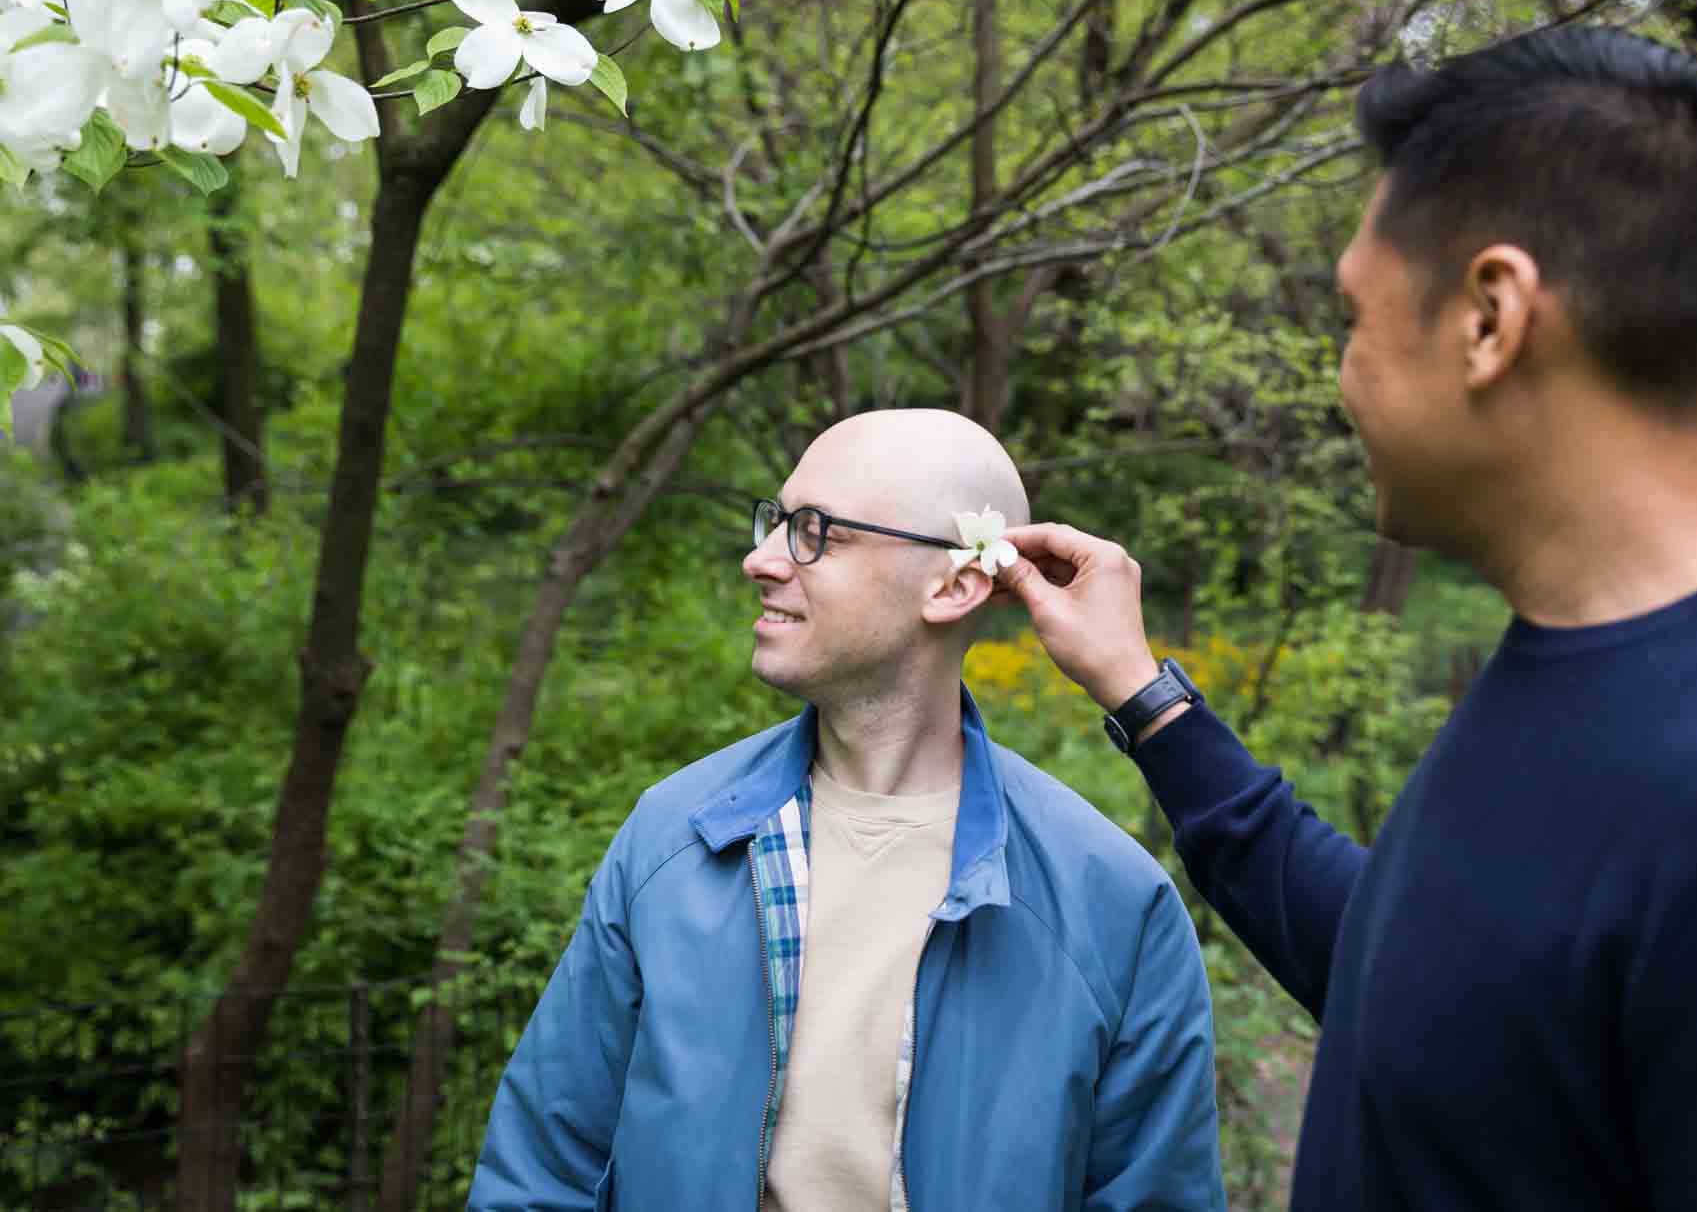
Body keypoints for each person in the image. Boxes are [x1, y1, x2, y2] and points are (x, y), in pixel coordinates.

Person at [999, 26, 1697, 1211]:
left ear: (1488, 316)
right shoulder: (1585, 663)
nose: (1344, 374)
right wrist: (1144, 696)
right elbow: (1431, 987)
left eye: (1354, 320)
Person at [468, 408, 1223, 1212]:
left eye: (815, 530)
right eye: (777, 519)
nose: (760, 558)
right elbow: (539, 1173)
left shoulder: (1113, 905)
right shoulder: (673, 838)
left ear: (958, 583)